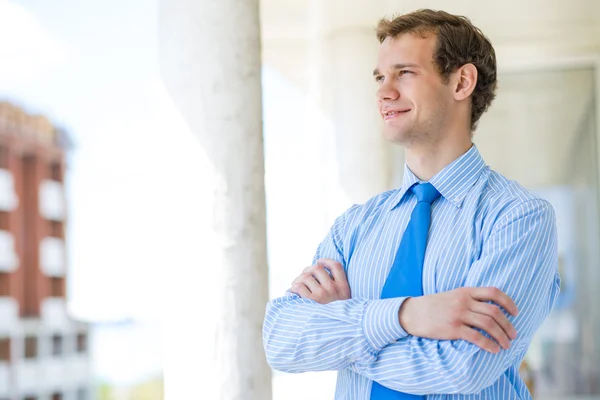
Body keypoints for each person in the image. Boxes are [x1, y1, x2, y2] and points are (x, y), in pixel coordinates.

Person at [262, 8, 560, 400]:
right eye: (380, 78)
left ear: (461, 82)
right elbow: (282, 341)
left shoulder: (519, 219)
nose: (384, 92)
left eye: (404, 73)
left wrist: (346, 330)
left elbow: (463, 366)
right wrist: (406, 315)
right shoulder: (355, 226)